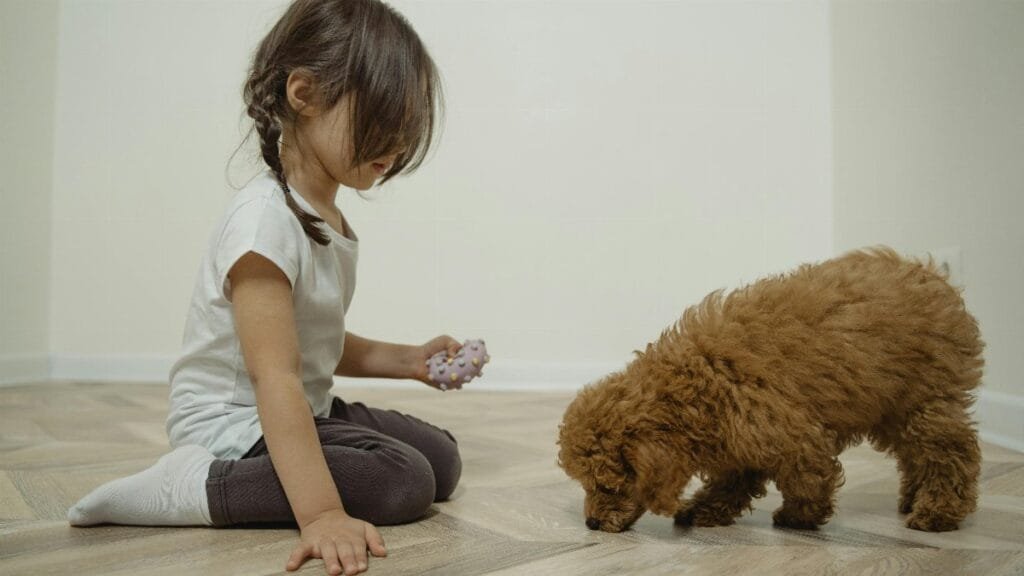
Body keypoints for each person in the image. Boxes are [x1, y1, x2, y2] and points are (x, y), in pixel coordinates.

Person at [67, 2, 462, 575]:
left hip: (292, 404)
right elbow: (272, 374)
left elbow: (315, 341)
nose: (398, 144)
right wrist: (323, 514)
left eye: (407, 127)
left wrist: (410, 361)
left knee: (441, 461)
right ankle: (197, 485)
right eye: (382, 118)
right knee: (402, 480)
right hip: (231, 420)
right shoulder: (262, 223)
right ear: (304, 93)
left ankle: (297, 461)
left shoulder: (321, 215)